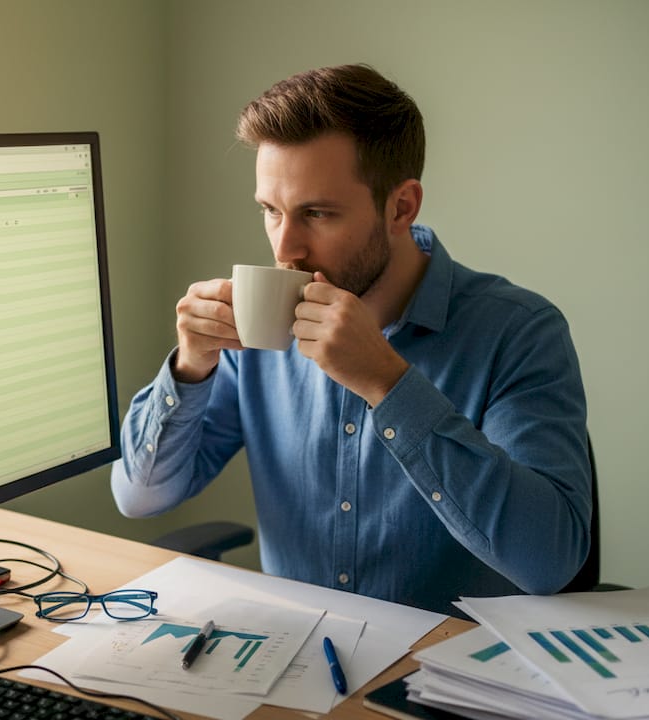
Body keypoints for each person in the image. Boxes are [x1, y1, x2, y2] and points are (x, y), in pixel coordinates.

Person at [110, 63, 591, 616]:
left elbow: (549, 562)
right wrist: (192, 365)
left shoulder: (519, 332)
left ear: (401, 207)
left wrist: (388, 383)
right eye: (271, 211)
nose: (285, 248)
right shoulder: (263, 326)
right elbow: (140, 496)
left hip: (447, 674)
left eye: (316, 213)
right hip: (292, 661)